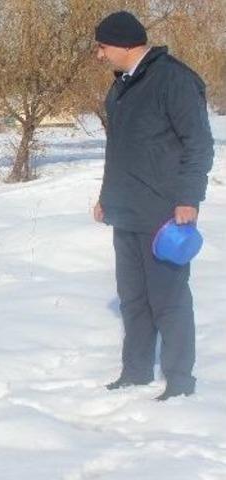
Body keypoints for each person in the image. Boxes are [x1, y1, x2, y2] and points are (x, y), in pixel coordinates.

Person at [92, 11, 214, 400]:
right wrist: (106, 198)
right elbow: (122, 151)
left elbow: (198, 145)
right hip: (126, 210)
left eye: (103, 46)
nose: (99, 55)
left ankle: (180, 382)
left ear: (126, 43)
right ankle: (136, 370)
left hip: (164, 213)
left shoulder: (174, 80)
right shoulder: (122, 87)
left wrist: (187, 198)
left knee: (169, 299)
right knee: (133, 297)